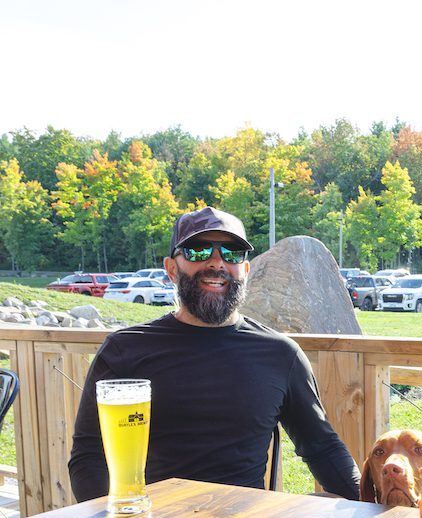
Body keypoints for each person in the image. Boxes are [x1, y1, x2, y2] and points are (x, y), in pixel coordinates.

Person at [68, 206, 361, 501]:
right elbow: (89, 456)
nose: (217, 263)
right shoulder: (125, 350)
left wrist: (376, 502)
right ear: (171, 269)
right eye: (198, 251)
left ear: (245, 271)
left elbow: (321, 447)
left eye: (232, 253)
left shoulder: (280, 354)